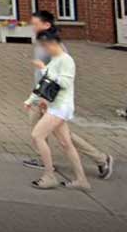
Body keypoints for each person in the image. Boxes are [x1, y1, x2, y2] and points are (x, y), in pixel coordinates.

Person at [21, 10, 114, 179]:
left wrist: (45, 98)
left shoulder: (54, 47)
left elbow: (59, 76)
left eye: (35, 24)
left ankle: (100, 158)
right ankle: (46, 159)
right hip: (41, 94)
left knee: (57, 135)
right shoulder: (41, 42)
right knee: (45, 132)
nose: (32, 27)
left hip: (49, 98)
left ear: (47, 25)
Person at [26, 32, 90, 190]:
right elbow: (45, 83)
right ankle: (82, 180)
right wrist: (31, 100)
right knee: (66, 143)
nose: (44, 49)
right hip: (54, 105)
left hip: (61, 107)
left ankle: (49, 176)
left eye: (45, 45)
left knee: (37, 135)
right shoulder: (55, 60)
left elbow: (65, 83)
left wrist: (44, 70)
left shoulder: (66, 60)